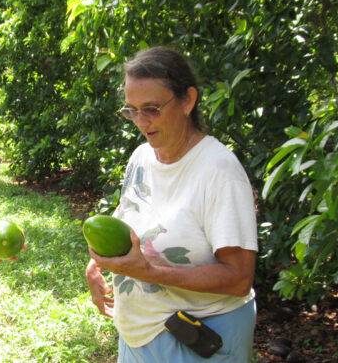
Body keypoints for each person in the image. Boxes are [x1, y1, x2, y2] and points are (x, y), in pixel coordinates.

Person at [85, 46, 258, 362]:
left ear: (188, 100)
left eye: (151, 108)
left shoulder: (219, 170)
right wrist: (100, 263)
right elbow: (133, 225)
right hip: (138, 337)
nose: (140, 121)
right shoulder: (141, 157)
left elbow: (239, 277)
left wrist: (149, 271)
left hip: (197, 341)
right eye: (132, 110)